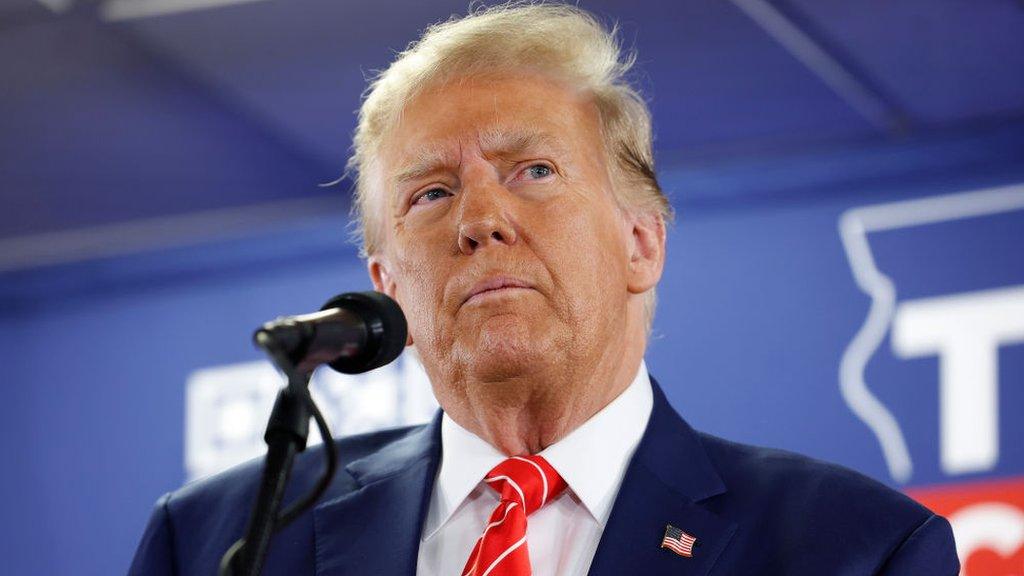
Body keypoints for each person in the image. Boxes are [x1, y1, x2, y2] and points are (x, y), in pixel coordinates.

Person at [129, 4, 959, 575]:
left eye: (534, 170)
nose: (480, 220)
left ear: (641, 243)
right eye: (431, 193)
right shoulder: (221, 540)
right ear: (388, 291)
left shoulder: (851, 549)